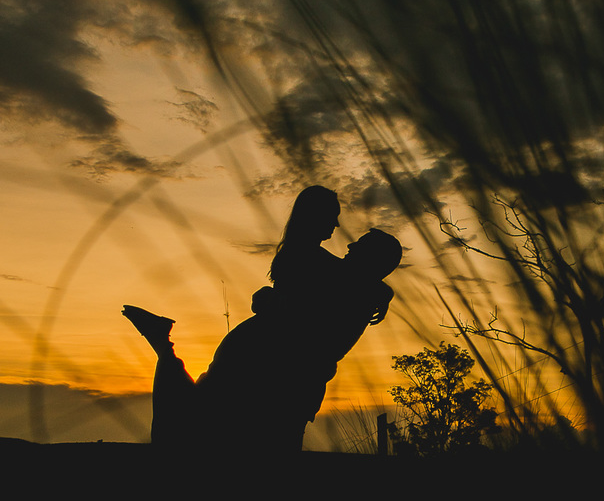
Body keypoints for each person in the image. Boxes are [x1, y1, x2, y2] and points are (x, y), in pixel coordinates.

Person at [122, 187, 401, 454]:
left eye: (360, 245)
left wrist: (273, 302)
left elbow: (314, 332)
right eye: (332, 216)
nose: (345, 236)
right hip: (258, 369)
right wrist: (381, 287)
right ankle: (162, 345)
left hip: (268, 373)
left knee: (201, 425)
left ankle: (162, 345)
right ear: (315, 216)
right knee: (205, 427)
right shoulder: (323, 264)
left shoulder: (345, 282)